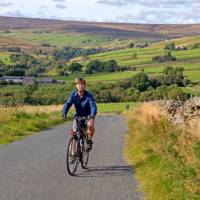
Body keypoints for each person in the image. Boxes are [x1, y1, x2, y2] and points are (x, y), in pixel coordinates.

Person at [61, 77, 97, 151]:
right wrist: (64, 113)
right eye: (79, 84)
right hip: (78, 116)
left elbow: (93, 106)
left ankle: (89, 140)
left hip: (88, 115)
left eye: (82, 84)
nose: (80, 86)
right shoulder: (73, 95)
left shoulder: (88, 96)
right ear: (76, 86)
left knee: (90, 125)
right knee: (75, 134)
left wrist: (92, 115)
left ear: (84, 85)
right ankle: (73, 154)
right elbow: (67, 104)